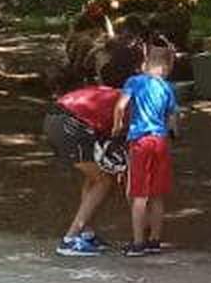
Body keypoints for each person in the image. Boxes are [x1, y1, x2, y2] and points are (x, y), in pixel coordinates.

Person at [45, 36, 142, 255]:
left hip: (56, 118)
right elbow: (120, 131)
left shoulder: (107, 92)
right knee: (104, 180)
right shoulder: (126, 99)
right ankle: (70, 238)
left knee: (93, 177)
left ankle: (87, 233)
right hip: (70, 123)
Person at [113, 35, 182, 255]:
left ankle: (138, 242)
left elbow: (120, 106)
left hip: (140, 140)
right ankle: (155, 240)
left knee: (139, 194)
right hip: (160, 140)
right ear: (165, 67)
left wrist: (116, 126)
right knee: (157, 194)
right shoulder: (167, 88)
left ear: (146, 63)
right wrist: (174, 133)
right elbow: (172, 118)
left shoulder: (134, 82)